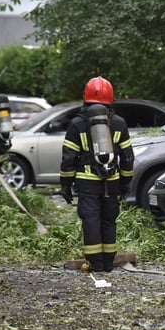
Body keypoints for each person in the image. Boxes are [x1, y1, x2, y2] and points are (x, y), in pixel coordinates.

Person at [59, 76, 134, 272]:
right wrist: (126, 183)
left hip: (86, 183)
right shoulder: (119, 123)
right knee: (109, 221)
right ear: (111, 99)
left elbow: (68, 159)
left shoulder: (76, 124)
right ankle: (108, 264)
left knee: (91, 221)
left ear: (85, 98)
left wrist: (65, 185)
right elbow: (128, 158)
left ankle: (95, 264)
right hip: (113, 181)